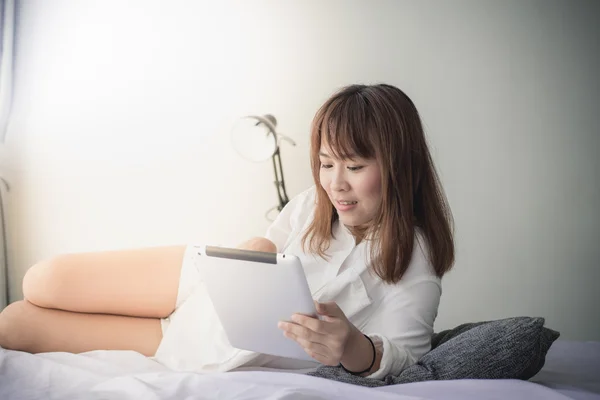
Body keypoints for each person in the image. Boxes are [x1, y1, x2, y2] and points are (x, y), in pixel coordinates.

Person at [0, 83, 454, 379]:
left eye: (354, 166)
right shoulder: (314, 204)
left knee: (14, 324)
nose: (335, 183)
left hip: (202, 340)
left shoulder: (416, 264)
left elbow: (402, 361)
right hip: (199, 280)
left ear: (398, 166)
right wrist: (255, 247)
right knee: (41, 279)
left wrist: (352, 346)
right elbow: (269, 243)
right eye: (326, 163)